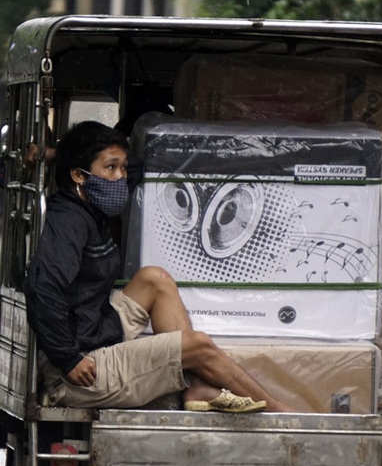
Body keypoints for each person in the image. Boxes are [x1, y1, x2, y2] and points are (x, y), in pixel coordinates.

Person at [22, 120, 296, 413]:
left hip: (96, 330)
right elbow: (42, 288)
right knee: (199, 346)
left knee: (154, 279)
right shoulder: (69, 220)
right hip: (82, 370)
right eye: (111, 168)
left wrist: (57, 154)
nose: (120, 176)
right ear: (78, 175)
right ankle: (281, 412)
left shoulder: (89, 204)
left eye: (121, 168)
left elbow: (140, 166)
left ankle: (197, 387)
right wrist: (68, 359)